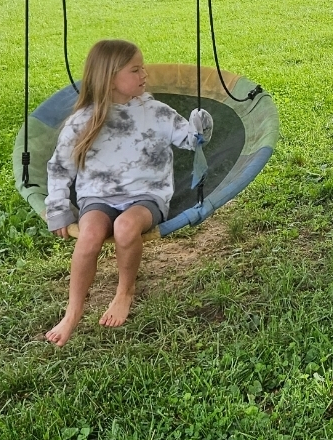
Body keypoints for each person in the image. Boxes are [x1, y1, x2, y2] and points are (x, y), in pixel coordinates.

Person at [43, 39, 213, 346]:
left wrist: (200, 126)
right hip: (98, 195)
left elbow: (190, 140)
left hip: (147, 196)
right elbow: (59, 167)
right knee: (90, 233)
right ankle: (73, 310)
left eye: (143, 67)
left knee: (125, 227)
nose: (144, 74)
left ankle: (125, 292)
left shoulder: (157, 112)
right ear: (109, 77)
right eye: (135, 69)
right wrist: (57, 208)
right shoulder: (83, 120)